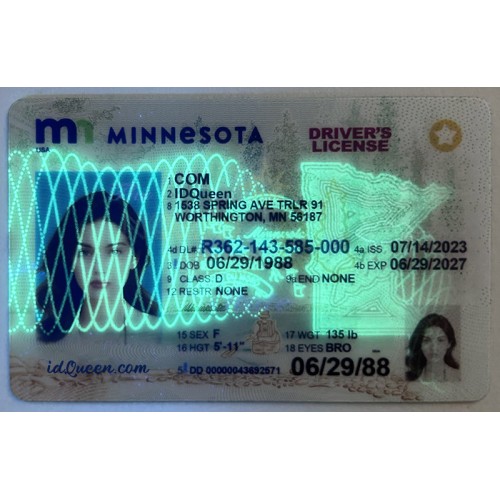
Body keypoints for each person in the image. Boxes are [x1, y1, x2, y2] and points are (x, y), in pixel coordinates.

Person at [36, 191, 159, 342]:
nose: (99, 268)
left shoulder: (160, 334)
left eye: (114, 251)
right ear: (70, 259)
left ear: (135, 258)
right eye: (85, 252)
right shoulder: (39, 340)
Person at [405, 313, 459, 382]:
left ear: (449, 344)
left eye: (440, 340)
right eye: (427, 340)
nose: (434, 347)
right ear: (419, 344)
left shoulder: (458, 377)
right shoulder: (408, 380)